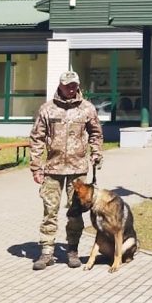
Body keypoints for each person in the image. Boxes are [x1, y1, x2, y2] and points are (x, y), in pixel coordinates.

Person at [28, 70, 103, 271]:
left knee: (75, 212)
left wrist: (96, 153)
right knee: (49, 211)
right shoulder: (47, 109)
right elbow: (37, 138)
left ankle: (72, 250)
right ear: (60, 86)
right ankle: (46, 252)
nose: (71, 88)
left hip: (78, 169)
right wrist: (36, 167)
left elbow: (96, 133)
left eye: (74, 85)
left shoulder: (87, 108)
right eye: (67, 85)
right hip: (52, 169)